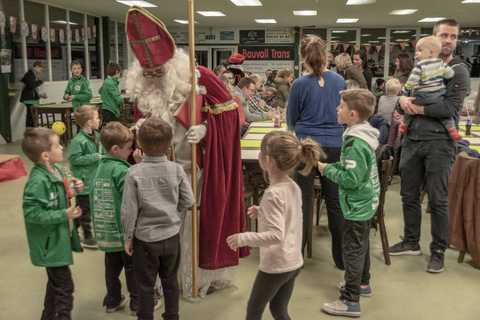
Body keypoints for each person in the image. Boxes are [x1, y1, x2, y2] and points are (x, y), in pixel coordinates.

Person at [124, 6, 248, 299]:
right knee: (160, 228)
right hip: (156, 173)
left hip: (193, 169)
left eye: (158, 70)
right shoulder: (144, 89)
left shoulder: (200, 77)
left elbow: (234, 114)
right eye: (147, 72)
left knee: (192, 225)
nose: (153, 75)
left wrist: (207, 130)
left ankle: (192, 277)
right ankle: (162, 283)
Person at [389, 19, 471, 273]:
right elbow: (400, 97)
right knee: (408, 195)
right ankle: (411, 241)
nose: (448, 40)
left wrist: (417, 107)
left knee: (438, 200)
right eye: (444, 35)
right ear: (434, 38)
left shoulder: (458, 71)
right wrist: (402, 99)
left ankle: (438, 251)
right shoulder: (420, 65)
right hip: (412, 140)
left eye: (453, 36)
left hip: (440, 143)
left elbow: (448, 108)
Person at [227, 131, 323, 320]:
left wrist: (242, 238)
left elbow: (275, 235)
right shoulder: (292, 186)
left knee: (254, 310)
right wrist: (262, 211)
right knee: (279, 309)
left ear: (268, 160)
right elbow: (290, 217)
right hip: (293, 261)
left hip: (276, 265)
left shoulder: (272, 194)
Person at [121, 117, 195, 320]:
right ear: (170, 143)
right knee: (170, 281)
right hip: (171, 236)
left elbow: (129, 210)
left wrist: (128, 236)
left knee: (145, 285)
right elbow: (189, 201)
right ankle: (172, 316)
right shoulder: (177, 169)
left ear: (140, 144)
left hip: (145, 239)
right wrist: (174, 212)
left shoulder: (133, 173)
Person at [319, 89, 380, 318]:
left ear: (352, 114)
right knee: (360, 244)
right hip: (366, 201)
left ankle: (350, 300)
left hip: (357, 204)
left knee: (353, 250)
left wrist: (327, 169)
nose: (337, 109)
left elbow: (351, 179)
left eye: (341, 107)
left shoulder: (356, 143)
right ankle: (363, 283)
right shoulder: (361, 135)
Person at [287, 35, 346, 269]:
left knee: (302, 201)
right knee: (335, 202)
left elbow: (291, 120)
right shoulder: (339, 80)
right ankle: (341, 259)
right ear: (326, 54)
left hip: (307, 147)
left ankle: (296, 257)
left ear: (303, 57)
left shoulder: (299, 84)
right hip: (335, 146)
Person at [21, 127, 83, 320]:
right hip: (50, 245)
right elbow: (32, 213)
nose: (62, 147)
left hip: (58, 240)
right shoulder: (37, 182)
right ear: (46, 155)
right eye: (58, 145)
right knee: (65, 287)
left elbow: (61, 188)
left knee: (55, 285)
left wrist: (73, 186)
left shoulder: (55, 170)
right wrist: (63, 214)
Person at [91, 122, 139, 314]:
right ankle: (136, 303)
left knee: (111, 268)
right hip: (123, 231)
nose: (131, 152)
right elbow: (133, 198)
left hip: (105, 230)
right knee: (132, 268)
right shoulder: (122, 171)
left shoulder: (99, 168)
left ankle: (112, 299)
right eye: (129, 149)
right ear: (116, 149)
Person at [401, 36, 459, 141]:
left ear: (431, 52)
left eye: (419, 50)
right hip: (437, 97)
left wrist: (405, 91)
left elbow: (411, 82)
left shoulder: (420, 66)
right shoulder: (441, 63)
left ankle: (404, 125)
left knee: (409, 110)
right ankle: (452, 129)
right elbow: (450, 74)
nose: (416, 54)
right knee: (445, 117)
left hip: (421, 96)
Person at [68, 105, 102, 248]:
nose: (99, 120)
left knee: (82, 207)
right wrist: (95, 157)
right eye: (96, 117)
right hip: (83, 181)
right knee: (85, 210)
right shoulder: (78, 141)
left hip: (92, 179)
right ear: (89, 122)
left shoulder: (96, 135)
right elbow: (74, 160)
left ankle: (71, 232)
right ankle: (87, 237)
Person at [20, 61, 47, 127]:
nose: (41, 70)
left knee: (32, 116)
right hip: (29, 99)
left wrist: (40, 95)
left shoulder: (33, 75)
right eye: (41, 69)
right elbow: (32, 86)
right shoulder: (29, 74)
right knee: (31, 116)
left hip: (31, 98)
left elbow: (32, 88)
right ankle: (31, 130)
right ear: (37, 67)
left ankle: (32, 130)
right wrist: (40, 81)